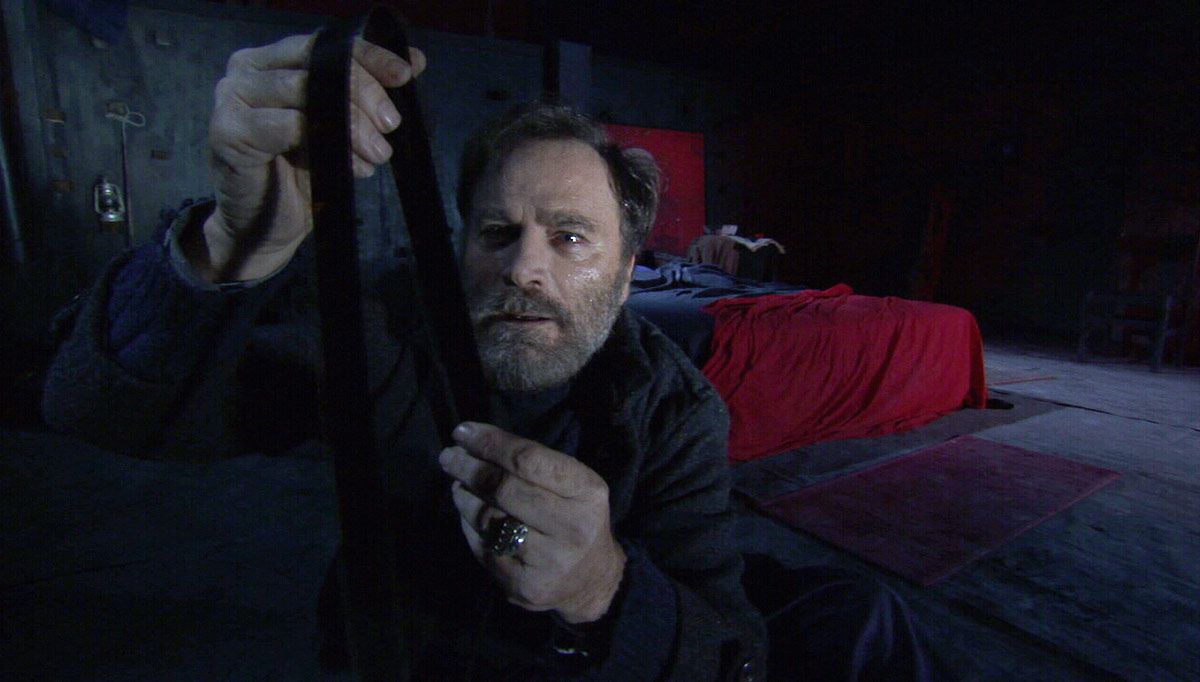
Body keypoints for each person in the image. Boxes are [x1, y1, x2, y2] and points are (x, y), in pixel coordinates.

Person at [41, 34, 767, 680]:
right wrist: (235, 241)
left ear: (628, 271)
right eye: (496, 232)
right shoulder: (387, 324)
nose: (523, 269)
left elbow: (734, 654)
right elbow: (95, 410)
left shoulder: (676, 411)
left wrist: (602, 589)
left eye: (570, 237)